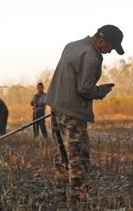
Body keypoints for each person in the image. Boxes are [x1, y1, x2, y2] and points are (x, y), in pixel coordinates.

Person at [46, 25, 124, 206]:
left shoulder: (72, 46)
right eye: (110, 48)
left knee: (62, 157)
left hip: (57, 108)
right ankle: (78, 202)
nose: (110, 52)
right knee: (77, 159)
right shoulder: (91, 56)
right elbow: (85, 88)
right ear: (101, 40)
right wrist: (101, 91)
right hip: (72, 114)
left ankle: (61, 198)